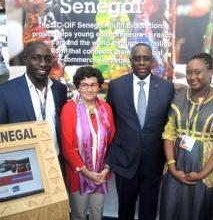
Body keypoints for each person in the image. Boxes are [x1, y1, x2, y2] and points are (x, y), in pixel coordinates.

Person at [105, 43, 174, 220]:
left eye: (146, 58)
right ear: (131, 61)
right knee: (125, 209)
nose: (142, 62)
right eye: (137, 58)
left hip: (153, 160)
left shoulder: (167, 88)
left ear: (152, 61)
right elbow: (110, 121)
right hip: (125, 159)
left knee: (149, 209)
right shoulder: (116, 86)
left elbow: (169, 123)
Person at [159, 53, 213, 220]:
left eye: (197, 72)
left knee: (198, 212)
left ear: (210, 72)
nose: (192, 77)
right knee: (171, 210)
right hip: (175, 167)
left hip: (205, 171)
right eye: (188, 72)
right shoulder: (178, 96)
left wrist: (203, 174)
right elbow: (169, 133)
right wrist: (172, 167)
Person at [60, 66, 115, 220]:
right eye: (84, 85)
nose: (89, 89)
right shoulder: (69, 109)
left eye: (93, 85)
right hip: (78, 174)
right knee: (79, 214)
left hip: (101, 173)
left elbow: (112, 140)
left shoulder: (106, 108)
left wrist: (106, 168)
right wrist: (87, 173)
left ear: (99, 86)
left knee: (98, 212)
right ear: (78, 86)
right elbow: (68, 148)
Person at [0, 41, 67, 158]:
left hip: (55, 160)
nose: (43, 63)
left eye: (48, 59)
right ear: (25, 59)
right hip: (26, 165)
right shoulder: (5, 92)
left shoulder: (59, 89)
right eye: (36, 58)